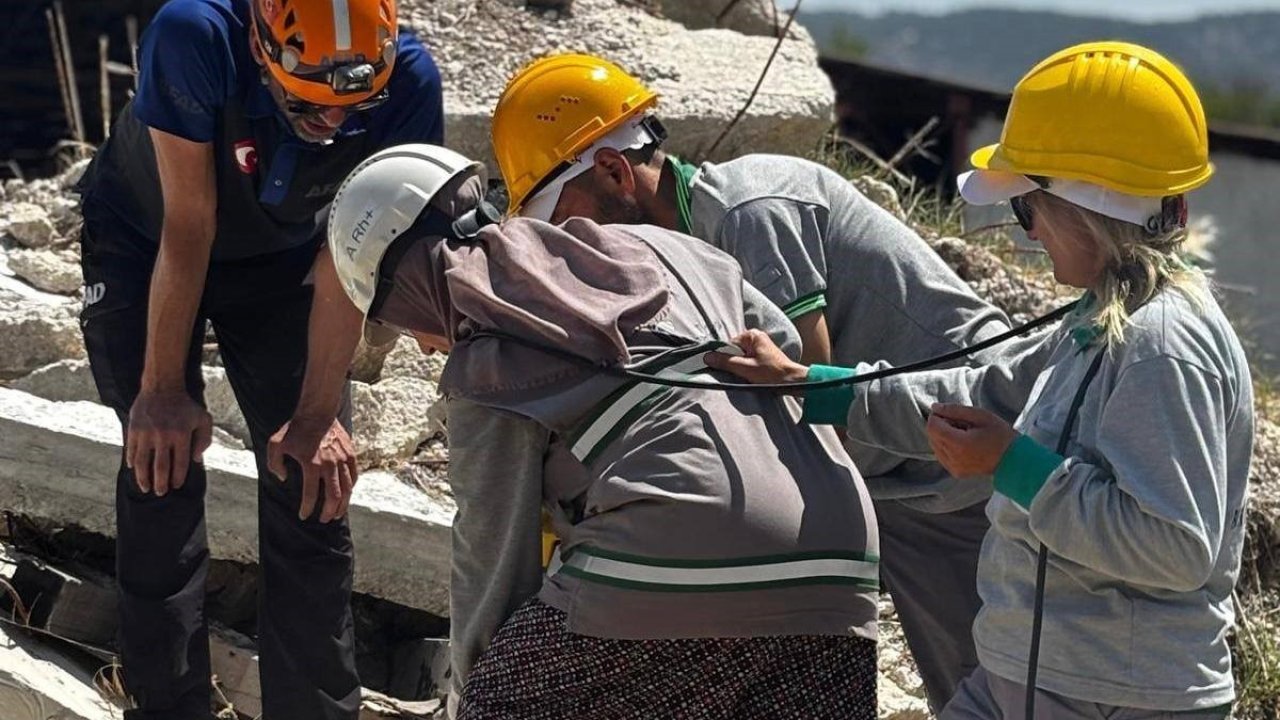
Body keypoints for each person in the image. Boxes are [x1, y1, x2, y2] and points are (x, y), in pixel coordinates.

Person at [706, 41, 1253, 720]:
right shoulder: (1099, 321)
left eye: (1028, 209)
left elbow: (1174, 546)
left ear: (1084, 207)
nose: (1029, 235)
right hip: (1023, 678)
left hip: (1118, 698)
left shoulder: (1162, 345)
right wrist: (810, 384)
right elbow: (977, 394)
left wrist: (1013, 465)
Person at [490, 52, 1021, 710]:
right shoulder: (683, 265)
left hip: (971, 469)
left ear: (613, 170)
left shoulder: (750, 212)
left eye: (562, 218)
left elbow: (804, 412)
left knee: (1008, 696)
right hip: (903, 484)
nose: (568, 243)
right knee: (971, 699)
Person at [326, 143, 882, 719]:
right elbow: (782, 345)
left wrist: (473, 696)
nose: (421, 346)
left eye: (400, 322)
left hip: (679, 551)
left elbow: (493, 561)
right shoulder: (664, 247)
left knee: (505, 703)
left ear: (411, 288)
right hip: (841, 548)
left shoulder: (485, 355)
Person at [74, 0, 443, 716]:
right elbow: (190, 224)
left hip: (286, 253)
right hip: (146, 238)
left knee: (312, 479)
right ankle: (165, 703)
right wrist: (162, 391)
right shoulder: (194, 35)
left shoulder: (410, 80)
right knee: (160, 462)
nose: (333, 121)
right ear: (260, 46)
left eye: (353, 106)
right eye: (308, 103)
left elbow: (354, 252)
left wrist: (316, 414)